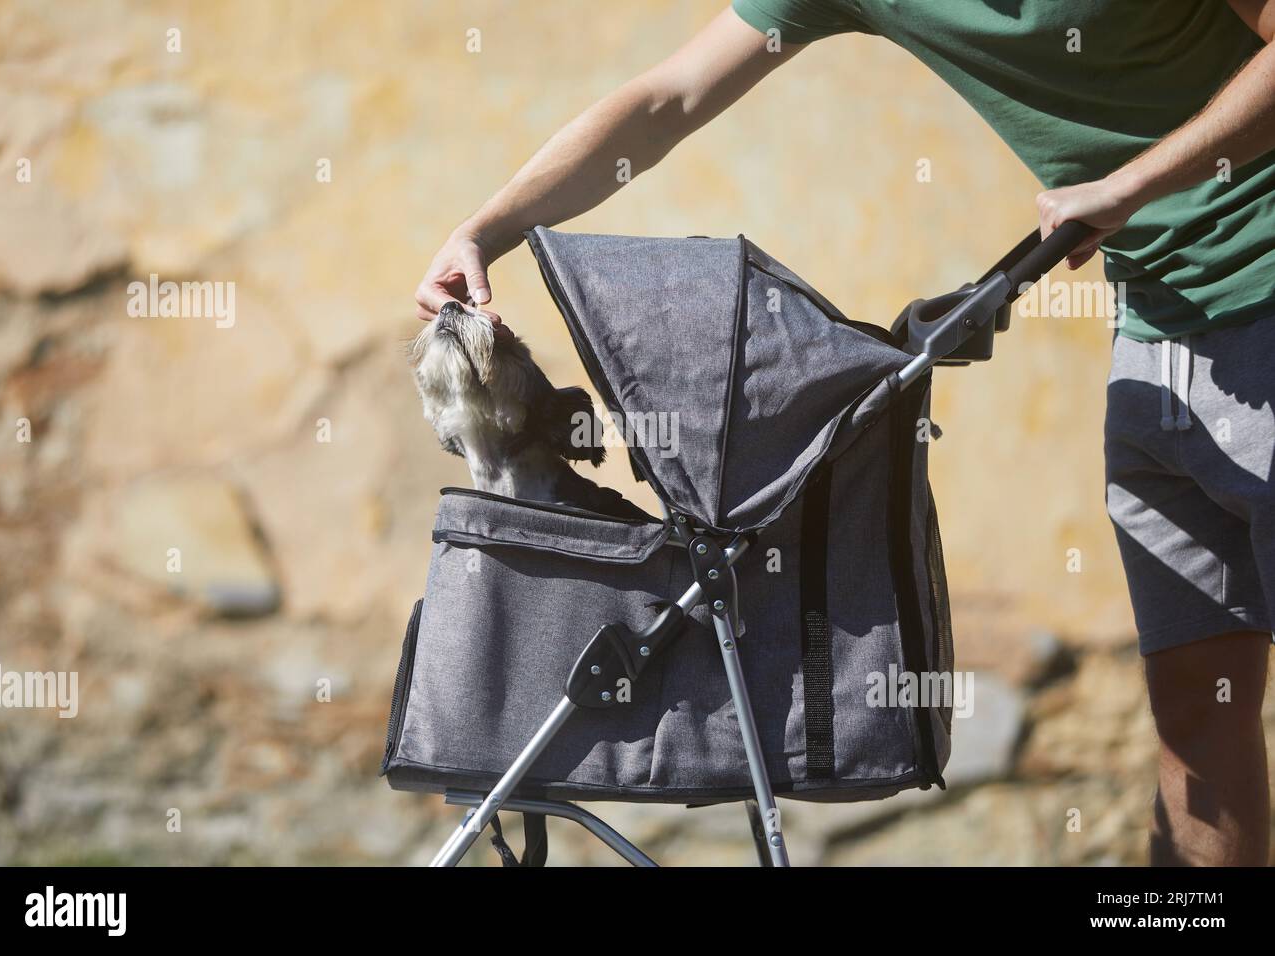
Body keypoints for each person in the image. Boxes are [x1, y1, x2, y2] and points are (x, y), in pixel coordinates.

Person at [416, 1, 1275, 866]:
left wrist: (1139, 183)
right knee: (1197, 722)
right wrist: (489, 228)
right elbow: (668, 98)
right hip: (1159, 333)